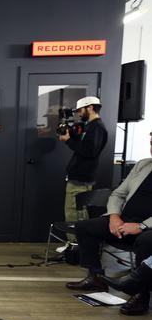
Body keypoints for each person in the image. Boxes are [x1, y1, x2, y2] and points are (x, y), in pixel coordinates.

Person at [66, 132, 152, 316]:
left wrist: (141, 226)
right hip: (123, 220)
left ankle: (141, 296)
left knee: (146, 241)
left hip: (147, 228)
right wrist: (114, 216)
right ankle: (95, 277)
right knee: (85, 227)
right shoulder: (143, 164)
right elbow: (118, 194)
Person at [57, 96, 108, 241]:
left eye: (80, 110)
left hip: (81, 179)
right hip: (79, 177)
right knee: (75, 212)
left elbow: (89, 151)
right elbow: (83, 143)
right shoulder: (90, 126)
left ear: (90, 108)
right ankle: (77, 246)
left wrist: (68, 141)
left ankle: (75, 246)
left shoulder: (96, 127)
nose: (79, 113)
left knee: (75, 213)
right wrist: (69, 134)